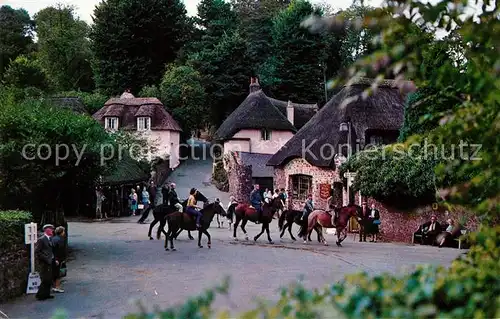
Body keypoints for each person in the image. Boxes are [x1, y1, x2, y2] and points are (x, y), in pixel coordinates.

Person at [35, 224, 55, 300]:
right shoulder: (42, 239)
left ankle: (47, 294)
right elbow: (37, 251)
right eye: (51, 229)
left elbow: (51, 250)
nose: (52, 230)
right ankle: (40, 295)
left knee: (49, 279)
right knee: (45, 279)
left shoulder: (50, 238)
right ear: (47, 230)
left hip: (50, 261)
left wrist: (54, 258)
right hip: (45, 262)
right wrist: (45, 258)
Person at [51, 226, 66, 293]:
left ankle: (54, 286)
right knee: (58, 273)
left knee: (54, 272)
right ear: (61, 232)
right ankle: (57, 287)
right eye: (63, 231)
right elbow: (59, 250)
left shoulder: (53, 238)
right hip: (58, 258)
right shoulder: (60, 240)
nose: (64, 233)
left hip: (53, 258)